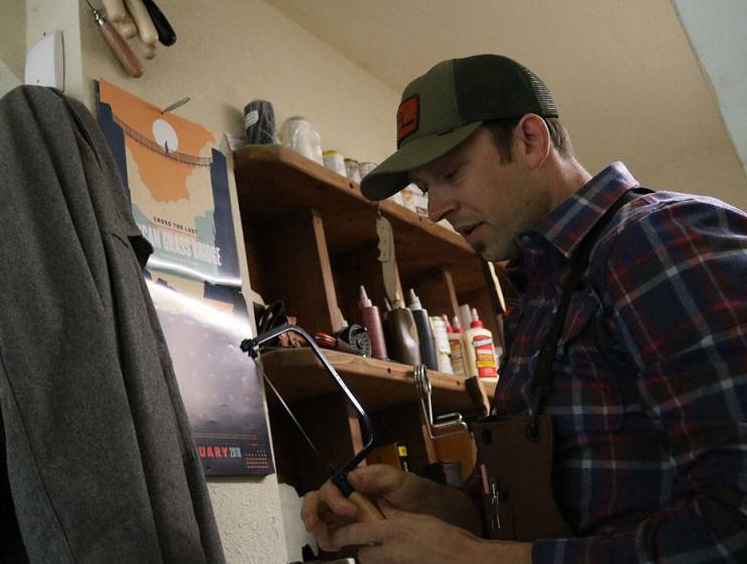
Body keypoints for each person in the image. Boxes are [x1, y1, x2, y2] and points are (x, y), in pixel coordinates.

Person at [301, 54, 747, 562]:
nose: (434, 208)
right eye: (426, 188)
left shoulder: (660, 241)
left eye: (450, 172)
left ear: (530, 141)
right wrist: (430, 506)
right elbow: (555, 508)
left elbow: (735, 524)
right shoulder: (539, 296)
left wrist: (474, 560)